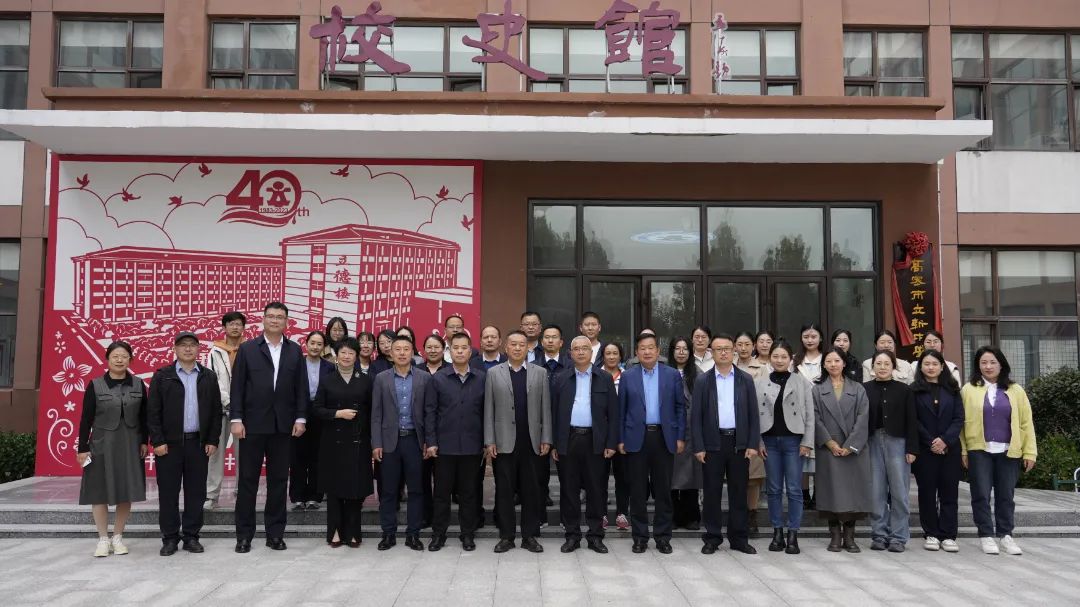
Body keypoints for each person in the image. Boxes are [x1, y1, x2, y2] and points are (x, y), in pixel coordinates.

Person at [230, 302, 309, 554]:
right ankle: (244, 536)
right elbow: (237, 386)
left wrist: (301, 418)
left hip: (282, 426)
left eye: (280, 317)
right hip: (252, 425)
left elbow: (301, 388)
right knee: (247, 481)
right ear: (263, 319)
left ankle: (275, 534)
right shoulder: (248, 349)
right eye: (271, 316)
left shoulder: (294, 350)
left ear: (287, 322)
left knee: (278, 481)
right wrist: (236, 419)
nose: (275, 320)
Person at [147, 332, 222, 556]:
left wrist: (212, 439)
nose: (188, 349)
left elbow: (216, 411)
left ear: (198, 349)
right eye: (183, 345)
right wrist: (157, 440)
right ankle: (170, 538)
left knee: (196, 493)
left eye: (192, 345)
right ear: (175, 349)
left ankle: (191, 536)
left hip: (197, 443)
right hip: (168, 446)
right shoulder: (163, 376)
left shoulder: (208, 376)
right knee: (168, 493)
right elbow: (153, 412)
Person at [960, 346, 1037, 556]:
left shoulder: (1016, 390)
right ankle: (986, 534)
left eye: (993, 362)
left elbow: (1026, 423)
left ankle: (1006, 535)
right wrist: (964, 451)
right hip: (979, 450)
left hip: (1008, 451)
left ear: (1001, 364)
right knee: (980, 494)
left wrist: (1030, 452)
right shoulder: (968, 390)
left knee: (1006, 496)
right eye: (983, 362)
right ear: (977, 366)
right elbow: (961, 424)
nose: (988, 366)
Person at [77, 341, 148, 558]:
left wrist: (144, 441)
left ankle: (117, 537)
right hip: (101, 445)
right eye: (115, 356)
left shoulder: (139, 385)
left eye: (124, 356)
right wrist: (82, 448)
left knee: (126, 490)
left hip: (130, 444)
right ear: (107, 359)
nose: (119, 360)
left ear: (130, 360)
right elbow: (86, 419)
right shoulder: (95, 385)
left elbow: (144, 417)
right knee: (99, 491)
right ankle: (102, 538)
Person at [691, 333, 760, 555]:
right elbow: (696, 417)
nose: (723, 353)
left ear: (734, 351)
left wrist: (752, 443)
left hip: (739, 443)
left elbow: (753, 414)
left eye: (727, 349)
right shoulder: (703, 380)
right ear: (711, 352)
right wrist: (699, 446)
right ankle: (712, 537)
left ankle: (739, 538)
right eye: (718, 349)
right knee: (711, 492)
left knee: (738, 492)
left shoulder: (745, 379)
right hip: (713, 443)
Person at [485, 330, 552, 553]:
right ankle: (507, 536)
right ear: (506, 347)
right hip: (503, 442)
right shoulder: (493, 373)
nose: (517, 348)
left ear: (527, 349)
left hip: (532, 442)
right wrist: (489, 440)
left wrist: (546, 437)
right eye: (513, 344)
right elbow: (489, 409)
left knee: (531, 491)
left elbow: (545, 408)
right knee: (504, 491)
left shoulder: (540, 373)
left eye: (521, 345)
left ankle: (529, 536)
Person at [551, 336, 619, 553]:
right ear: (570, 353)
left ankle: (596, 535)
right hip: (568, 438)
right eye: (576, 349)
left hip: (595, 440)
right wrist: (554, 444)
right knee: (569, 490)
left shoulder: (604, 378)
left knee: (596, 489)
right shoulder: (560, 378)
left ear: (592, 353)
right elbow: (553, 413)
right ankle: (572, 535)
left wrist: (611, 443)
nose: (580, 352)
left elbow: (613, 414)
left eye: (585, 349)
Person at [619, 332, 685, 554]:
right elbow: (621, 411)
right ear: (636, 353)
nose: (647, 352)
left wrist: (680, 436)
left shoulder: (672, 375)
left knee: (663, 490)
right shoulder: (628, 376)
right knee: (637, 491)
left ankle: (663, 537)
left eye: (651, 348)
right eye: (642, 348)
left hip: (663, 437)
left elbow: (680, 408)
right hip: (636, 438)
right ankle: (639, 537)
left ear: (658, 351)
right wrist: (620, 439)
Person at [425, 333, 487, 552]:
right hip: (444, 447)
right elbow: (430, 412)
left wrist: (486, 442)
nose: (460, 351)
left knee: (469, 494)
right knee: (441, 494)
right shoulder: (438, 379)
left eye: (464, 348)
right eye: (455, 348)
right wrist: (431, 441)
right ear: (449, 352)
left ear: (471, 351)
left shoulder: (482, 378)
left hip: (472, 446)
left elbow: (486, 412)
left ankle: (467, 534)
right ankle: (438, 534)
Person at [311, 337, 374, 548]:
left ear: (357, 356)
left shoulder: (366, 380)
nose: (347, 357)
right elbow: (317, 409)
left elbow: (372, 411)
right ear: (336, 356)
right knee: (335, 488)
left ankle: (354, 532)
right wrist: (338, 413)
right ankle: (336, 532)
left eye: (351, 353)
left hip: (358, 439)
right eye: (343, 353)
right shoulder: (327, 379)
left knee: (355, 489)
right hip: (333, 441)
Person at [372, 335, 432, 551]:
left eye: (406, 349)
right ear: (391, 353)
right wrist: (376, 443)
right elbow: (376, 414)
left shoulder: (424, 378)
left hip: (415, 441)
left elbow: (429, 413)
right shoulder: (381, 379)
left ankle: (413, 534)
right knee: (388, 491)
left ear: (413, 351)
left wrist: (428, 441)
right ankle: (388, 533)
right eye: (397, 349)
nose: (402, 353)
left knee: (416, 490)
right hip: (390, 442)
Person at [756, 340, 814, 554]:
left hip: (794, 441)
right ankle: (777, 532)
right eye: (775, 356)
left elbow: (810, 414)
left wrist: (807, 441)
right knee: (773, 489)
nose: (779, 360)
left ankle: (793, 534)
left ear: (790, 359)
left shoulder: (801, 382)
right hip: (769, 441)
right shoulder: (760, 382)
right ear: (769, 358)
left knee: (794, 489)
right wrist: (758, 441)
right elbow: (755, 415)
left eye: (783, 357)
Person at [812, 348, 872, 553]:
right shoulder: (817, 390)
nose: (833, 364)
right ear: (824, 364)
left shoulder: (858, 389)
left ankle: (850, 536)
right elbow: (815, 418)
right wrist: (829, 442)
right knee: (831, 492)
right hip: (829, 449)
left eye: (837, 360)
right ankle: (835, 536)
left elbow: (863, 418)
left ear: (844, 363)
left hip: (853, 450)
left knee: (853, 493)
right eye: (829, 361)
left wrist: (850, 446)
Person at [864, 349, 919, 552]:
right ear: (872, 367)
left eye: (887, 363)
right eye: (878, 363)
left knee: (899, 492)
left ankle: (898, 537)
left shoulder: (904, 390)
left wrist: (912, 448)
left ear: (893, 366)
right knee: (876, 492)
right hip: (872, 442)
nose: (882, 367)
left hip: (898, 442)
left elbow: (912, 420)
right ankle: (879, 534)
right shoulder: (864, 389)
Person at [911, 349, 964, 553]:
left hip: (950, 449)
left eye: (935, 364)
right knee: (927, 492)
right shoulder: (913, 390)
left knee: (949, 492)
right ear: (920, 367)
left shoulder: (953, 389)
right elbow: (913, 420)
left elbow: (958, 418)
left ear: (942, 367)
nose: (930, 367)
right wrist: (931, 441)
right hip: (925, 450)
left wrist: (945, 440)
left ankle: (948, 534)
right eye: (926, 364)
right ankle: (931, 533)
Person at [205, 311, 245, 510]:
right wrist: (228, 403)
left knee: (244, 454)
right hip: (220, 409)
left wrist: (241, 405)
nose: (235, 327)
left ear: (243, 327)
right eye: (231, 324)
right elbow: (213, 379)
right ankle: (211, 495)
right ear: (224, 327)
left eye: (238, 324)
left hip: (244, 412)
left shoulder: (250, 349)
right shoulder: (215, 351)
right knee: (216, 453)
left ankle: (242, 492)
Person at [290, 331, 333, 511]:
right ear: (306, 344)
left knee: (318, 456)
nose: (315, 347)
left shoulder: (329, 367)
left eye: (319, 344)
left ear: (324, 347)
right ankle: (297, 497)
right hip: (299, 412)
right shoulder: (296, 364)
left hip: (321, 414)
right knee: (298, 456)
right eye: (312, 343)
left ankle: (315, 496)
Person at [734, 331, 767, 532]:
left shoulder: (762, 369)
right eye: (740, 344)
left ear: (753, 346)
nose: (743, 348)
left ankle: (751, 514)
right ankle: (736, 513)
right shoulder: (728, 365)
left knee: (753, 475)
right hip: (731, 426)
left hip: (753, 424)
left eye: (747, 344)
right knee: (735, 475)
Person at [668, 337, 702, 530]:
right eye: (677, 348)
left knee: (691, 475)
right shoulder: (664, 371)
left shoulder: (698, 374)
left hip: (692, 429)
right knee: (670, 475)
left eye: (685, 349)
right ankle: (672, 516)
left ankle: (691, 516)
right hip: (670, 429)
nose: (681, 352)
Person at [601, 342, 630, 532]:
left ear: (620, 356)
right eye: (608, 353)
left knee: (623, 476)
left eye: (615, 353)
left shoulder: (627, 377)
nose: (611, 357)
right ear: (603, 356)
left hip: (622, 434)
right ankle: (601, 513)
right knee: (600, 476)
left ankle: (622, 512)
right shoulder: (596, 375)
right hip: (601, 434)